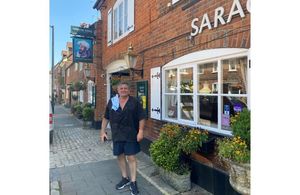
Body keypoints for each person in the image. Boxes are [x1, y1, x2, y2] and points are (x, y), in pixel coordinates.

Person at [100, 81, 146, 195]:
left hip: (131, 134)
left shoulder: (135, 102)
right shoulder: (112, 101)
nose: (124, 90)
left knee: (131, 158)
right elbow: (106, 117)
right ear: (118, 90)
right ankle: (125, 178)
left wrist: (140, 131)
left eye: (126, 88)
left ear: (129, 90)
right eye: (121, 88)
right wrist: (102, 132)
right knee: (120, 156)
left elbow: (142, 117)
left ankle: (133, 182)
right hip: (117, 134)